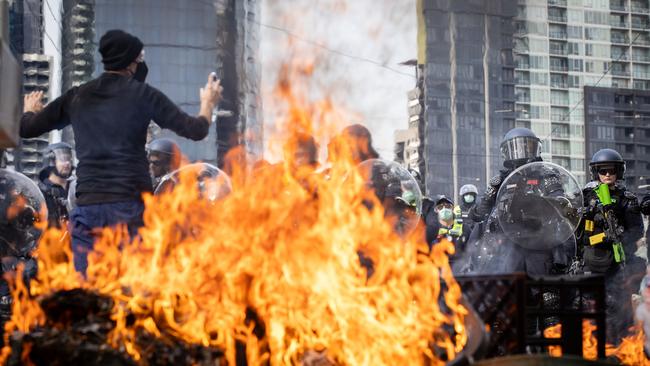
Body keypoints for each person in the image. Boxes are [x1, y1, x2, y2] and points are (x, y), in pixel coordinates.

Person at [20, 29, 223, 274]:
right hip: (131, 208)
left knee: (90, 292)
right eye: (140, 58)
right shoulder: (143, 95)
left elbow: (27, 128)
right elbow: (197, 129)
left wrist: (30, 109)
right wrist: (208, 104)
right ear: (131, 62)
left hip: (89, 209)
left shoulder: (78, 96)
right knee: (133, 289)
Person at [468, 127, 570, 275]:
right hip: (508, 242)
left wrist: (538, 202)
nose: (521, 149)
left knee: (544, 289)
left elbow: (560, 202)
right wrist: (487, 200)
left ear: (536, 148)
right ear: (506, 151)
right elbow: (479, 214)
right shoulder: (501, 180)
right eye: (517, 145)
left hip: (538, 239)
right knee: (509, 288)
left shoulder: (546, 175)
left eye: (526, 145)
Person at [426, 195, 471, 271]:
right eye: (440, 207)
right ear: (436, 210)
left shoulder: (465, 229)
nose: (444, 209)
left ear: (453, 209)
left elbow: (471, 252)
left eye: (448, 206)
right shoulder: (430, 230)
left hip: (460, 273)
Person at [38, 142, 74, 228]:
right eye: (62, 159)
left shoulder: (75, 188)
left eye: (68, 159)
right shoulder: (41, 192)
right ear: (51, 162)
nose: (67, 163)